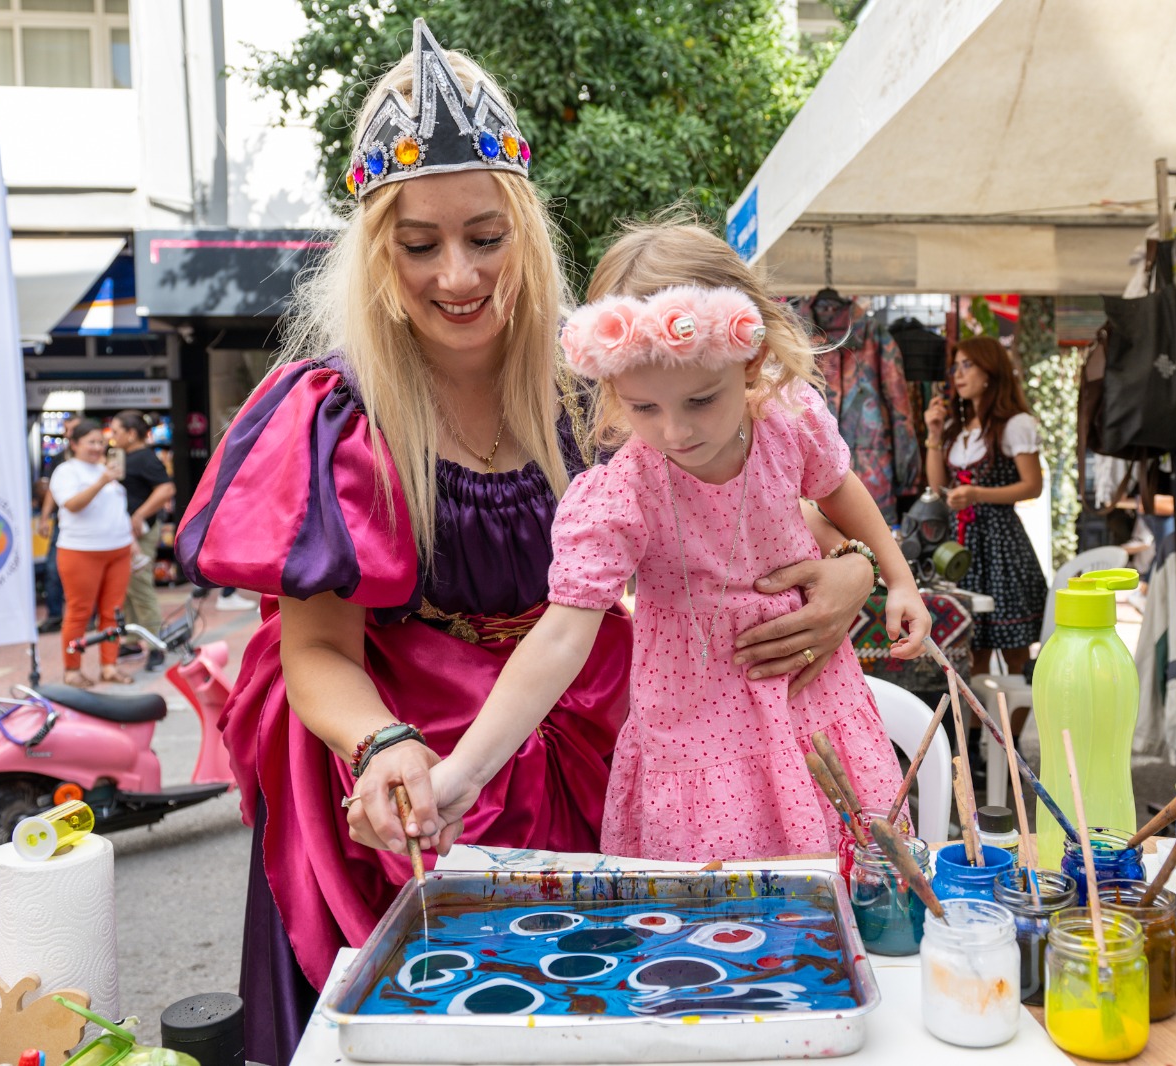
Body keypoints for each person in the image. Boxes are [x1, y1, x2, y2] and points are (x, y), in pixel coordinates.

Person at [174, 20, 875, 1062]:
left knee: (626, 1007)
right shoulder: (337, 411)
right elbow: (314, 649)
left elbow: (777, 502)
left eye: (483, 237)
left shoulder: (601, 384)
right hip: (419, 781)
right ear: (377, 251)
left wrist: (853, 573)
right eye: (418, 243)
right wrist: (384, 747)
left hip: (594, 739)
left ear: (522, 233)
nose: (456, 274)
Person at [424, 222, 932, 860]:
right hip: (698, 742)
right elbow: (559, 636)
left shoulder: (787, 422)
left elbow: (839, 487)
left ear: (748, 359)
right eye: (644, 408)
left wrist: (898, 575)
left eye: (700, 399)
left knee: (852, 897)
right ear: (612, 391)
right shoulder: (623, 494)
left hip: (815, 706)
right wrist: (466, 772)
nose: (676, 431)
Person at [924, 336, 1048, 736]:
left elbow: (1032, 486)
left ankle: (1008, 740)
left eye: (967, 366)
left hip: (1003, 545)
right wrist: (934, 434)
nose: (957, 375)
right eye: (955, 366)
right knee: (971, 648)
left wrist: (978, 494)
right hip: (965, 548)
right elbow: (938, 490)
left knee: (1015, 653)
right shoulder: (961, 431)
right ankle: (978, 742)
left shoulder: (1015, 425)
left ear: (989, 372)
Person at [50, 419, 134, 687]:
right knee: (79, 611)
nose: (97, 447)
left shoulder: (105, 469)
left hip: (118, 548)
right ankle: (72, 670)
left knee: (113, 612)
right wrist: (101, 481)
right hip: (80, 549)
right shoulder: (67, 471)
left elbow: (117, 509)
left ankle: (109, 666)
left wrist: (131, 540)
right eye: (91, 442)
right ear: (74, 444)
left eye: (101, 442)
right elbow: (72, 505)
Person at [109, 411, 175, 668]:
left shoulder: (145, 458)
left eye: (116, 431)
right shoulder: (124, 456)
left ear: (131, 433)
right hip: (124, 532)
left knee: (139, 586)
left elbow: (167, 488)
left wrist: (139, 514)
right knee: (126, 588)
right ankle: (133, 640)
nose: (112, 437)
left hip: (140, 532)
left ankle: (156, 643)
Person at [35, 412, 80, 633]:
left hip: (85, 528)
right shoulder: (59, 459)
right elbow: (52, 491)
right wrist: (44, 518)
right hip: (62, 524)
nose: (68, 434)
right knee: (53, 569)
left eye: (73, 430)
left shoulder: (97, 460)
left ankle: (89, 616)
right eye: (67, 430)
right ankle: (54, 615)